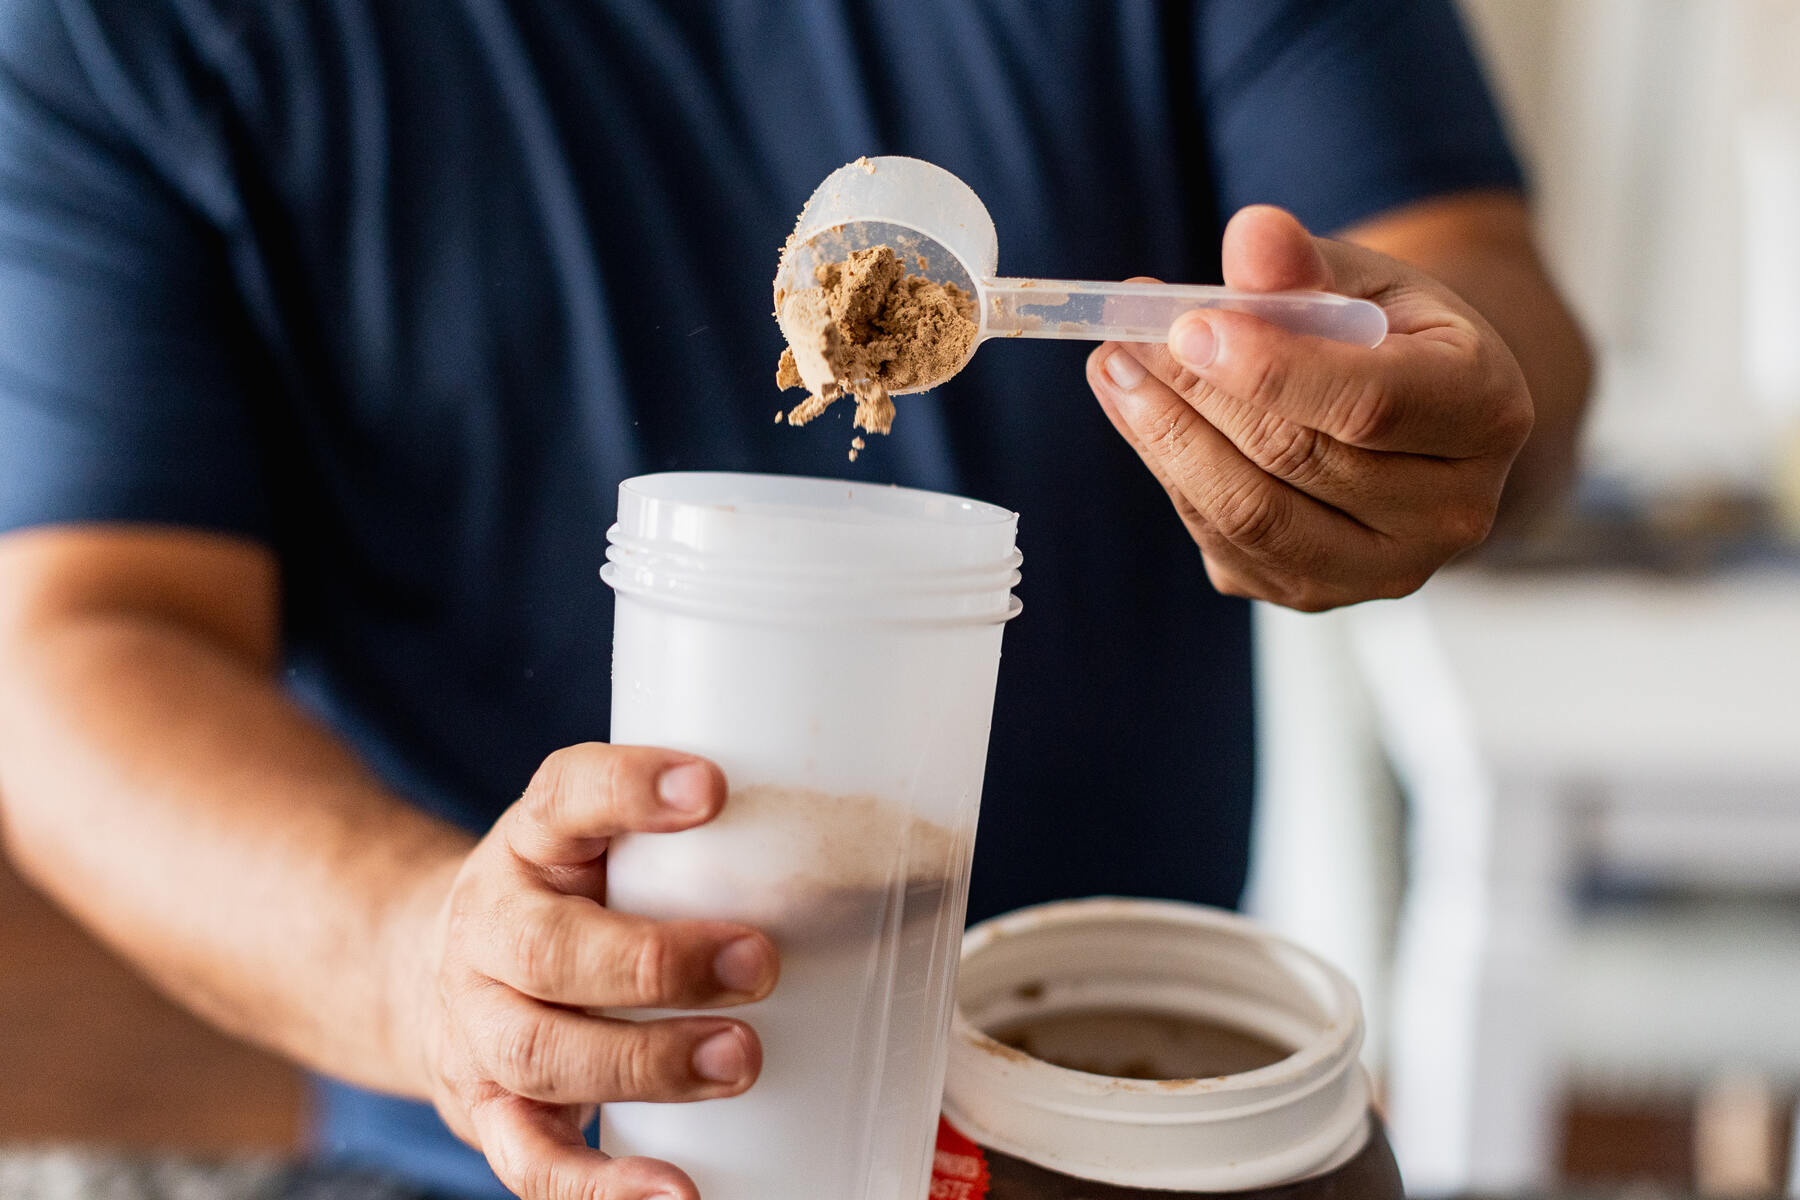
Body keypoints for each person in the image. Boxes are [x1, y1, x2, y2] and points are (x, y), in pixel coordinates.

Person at [0, 3, 1590, 1199]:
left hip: (1105, 1113)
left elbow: (1486, 302)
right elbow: (73, 642)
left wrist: (1432, 414)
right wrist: (430, 964)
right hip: (524, 1155)